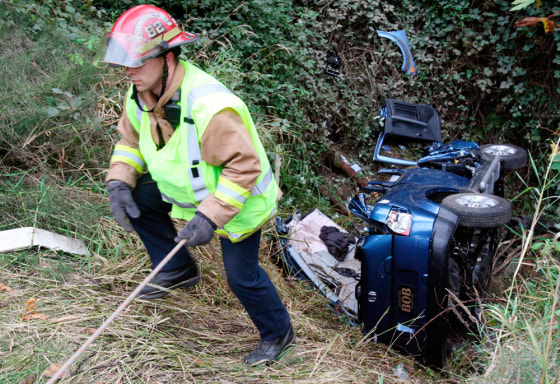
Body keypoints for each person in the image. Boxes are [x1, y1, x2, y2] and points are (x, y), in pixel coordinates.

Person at [93, 4, 294, 365]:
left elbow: (244, 167)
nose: (128, 71)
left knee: (241, 278)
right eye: (124, 64)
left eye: (136, 63)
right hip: (190, 191)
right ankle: (177, 268)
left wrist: (210, 217)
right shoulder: (139, 94)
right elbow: (130, 142)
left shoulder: (210, 105)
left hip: (241, 203)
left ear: (167, 57)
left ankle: (279, 333)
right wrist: (119, 181)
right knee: (137, 198)